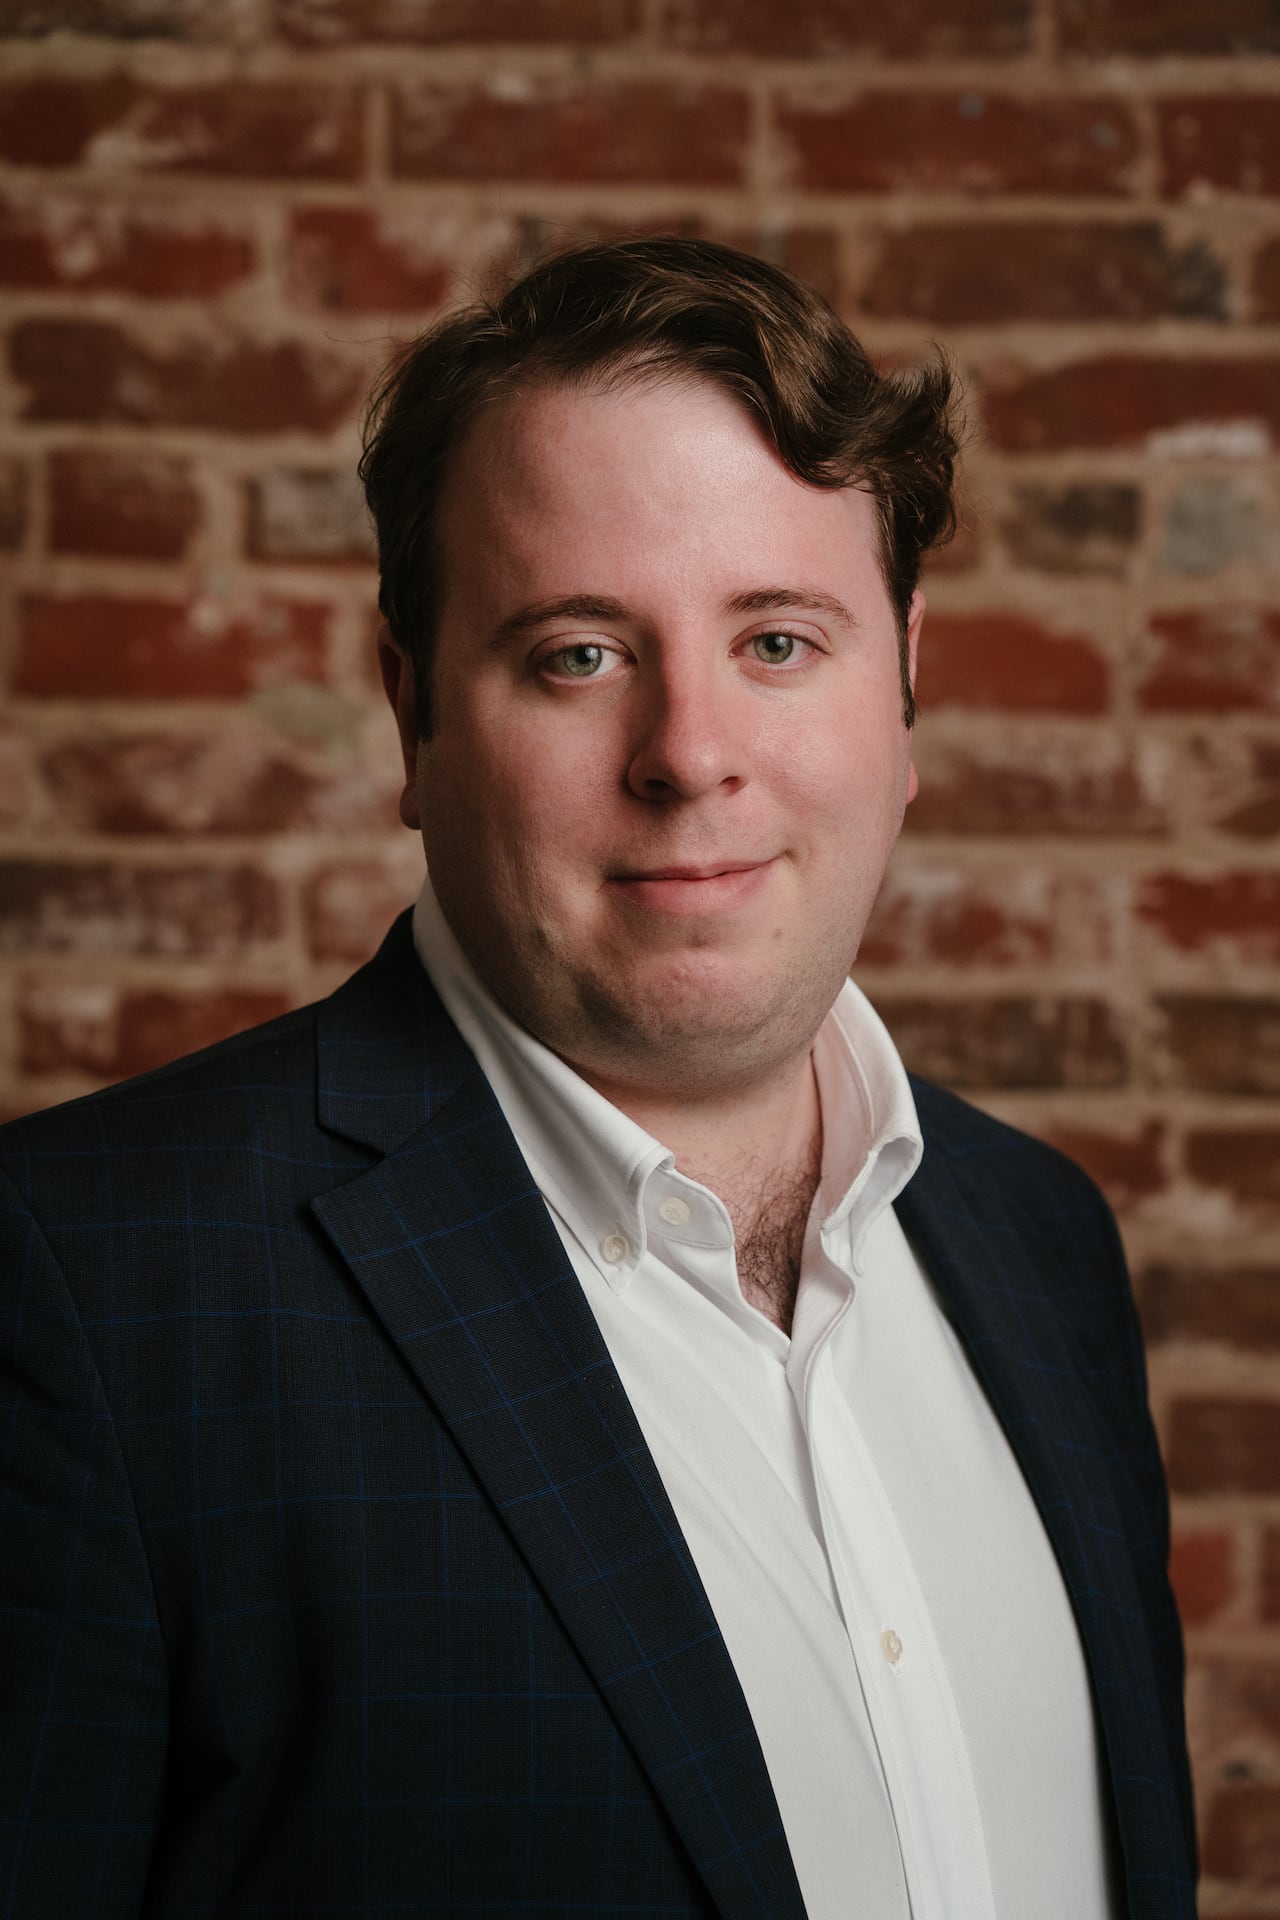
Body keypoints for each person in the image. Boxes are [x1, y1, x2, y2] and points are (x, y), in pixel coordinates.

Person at [0, 237, 1195, 1920]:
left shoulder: (1045, 1248)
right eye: (576, 653)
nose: (689, 752)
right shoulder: (93, 1291)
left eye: (780, 642)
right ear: (413, 716)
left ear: (909, 683)